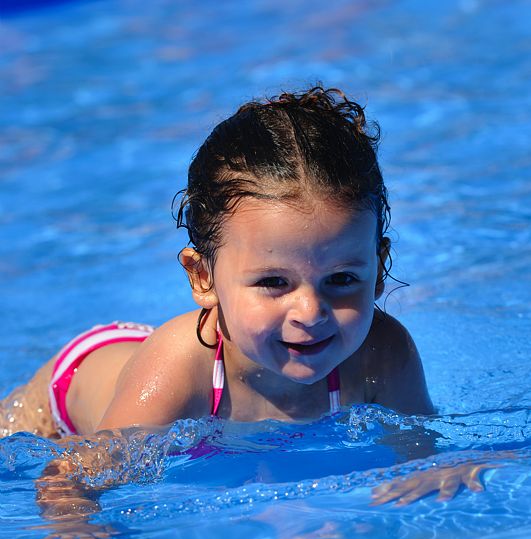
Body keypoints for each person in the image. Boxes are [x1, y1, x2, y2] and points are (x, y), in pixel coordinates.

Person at [1, 86, 433, 440]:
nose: (310, 312)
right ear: (203, 276)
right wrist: (78, 520)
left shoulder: (386, 354)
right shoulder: (177, 370)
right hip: (69, 388)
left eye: (341, 279)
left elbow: (423, 449)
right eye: (273, 282)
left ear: (378, 269)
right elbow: (74, 479)